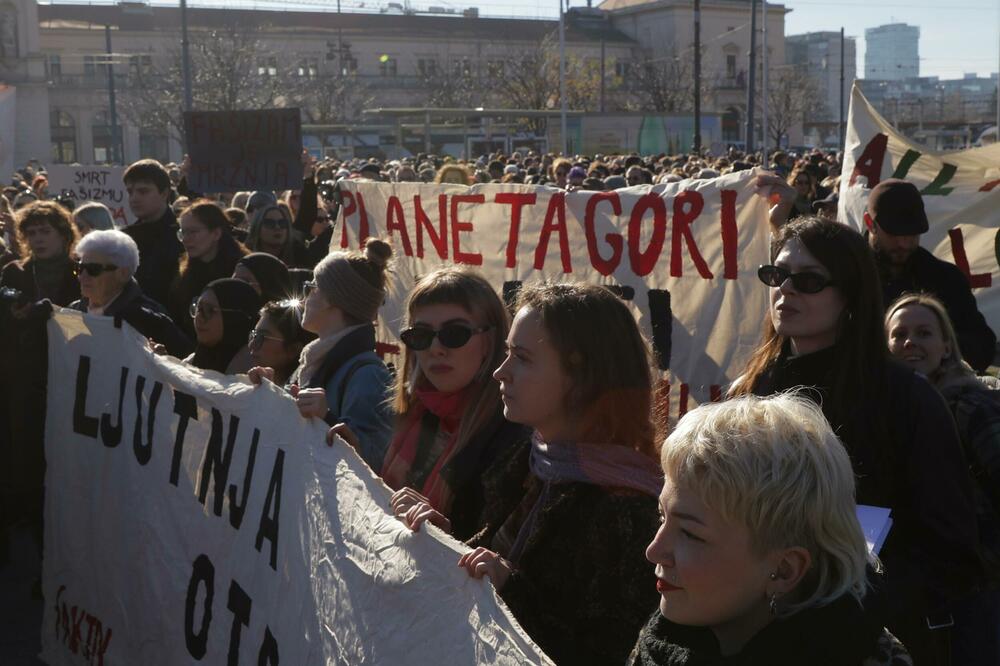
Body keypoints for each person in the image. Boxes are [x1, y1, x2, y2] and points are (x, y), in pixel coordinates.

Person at [729, 216, 981, 665]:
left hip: (872, 638)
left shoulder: (905, 398)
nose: (785, 290)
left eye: (807, 280)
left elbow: (951, 548)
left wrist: (845, 604)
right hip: (759, 629)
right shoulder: (750, 390)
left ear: (850, 296)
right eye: (777, 274)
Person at [456, 283, 662, 665]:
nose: (501, 372)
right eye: (506, 354)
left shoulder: (628, 512)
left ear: (581, 377)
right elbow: (487, 558)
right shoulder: (526, 462)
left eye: (522, 357)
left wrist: (509, 590)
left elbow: (612, 654)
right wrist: (437, 540)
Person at [630, 393, 911, 666]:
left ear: (785, 570)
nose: (653, 551)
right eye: (662, 517)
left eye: (690, 533)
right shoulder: (660, 644)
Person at [885, 293, 1000, 666]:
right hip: (916, 585)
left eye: (923, 333)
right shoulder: (884, 413)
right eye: (899, 335)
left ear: (946, 347)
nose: (910, 343)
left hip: (976, 584)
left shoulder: (971, 405)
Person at [378, 268, 530, 541]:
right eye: (421, 335)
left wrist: (445, 536)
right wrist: (343, 451)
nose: (435, 348)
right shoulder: (417, 411)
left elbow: (502, 560)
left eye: (455, 333)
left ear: (490, 341)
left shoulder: (514, 436)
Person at [259, 239, 394, 470]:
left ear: (333, 300)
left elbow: (375, 463)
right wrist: (268, 392)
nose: (305, 297)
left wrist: (327, 419)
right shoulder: (314, 359)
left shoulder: (368, 374)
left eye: (312, 288)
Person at [864, 178, 996, 372]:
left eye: (911, 234)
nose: (903, 243)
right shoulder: (844, 274)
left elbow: (981, 346)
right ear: (870, 223)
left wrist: (935, 349)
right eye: (893, 233)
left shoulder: (945, 278)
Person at [68, 230, 192, 358]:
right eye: (79, 268)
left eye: (93, 269)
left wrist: (162, 360)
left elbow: (185, 367)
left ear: (123, 273)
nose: (82, 276)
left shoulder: (149, 320)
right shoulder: (73, 312)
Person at [169, 200, 249, 338]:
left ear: (216, 234)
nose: (186, 239)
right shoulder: (183, 276)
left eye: (193, 232)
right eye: (183, 232)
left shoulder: (242, 271)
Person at [121, 159, 184, 308]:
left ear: (164, 193)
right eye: (130, 192)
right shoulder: (124, 239)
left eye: (143, 191)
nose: (134, 198)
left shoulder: (184, 236)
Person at [186, 278, 261, 374]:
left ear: (234, 318)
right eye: (198, 308)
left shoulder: (253, 370)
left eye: (210, 311)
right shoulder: (196, 358)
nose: (199, 318)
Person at [248, 300, 314, 387]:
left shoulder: (302, 396)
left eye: (263, 337)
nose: (251, 345)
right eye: (254, 335)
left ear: (293, 350)